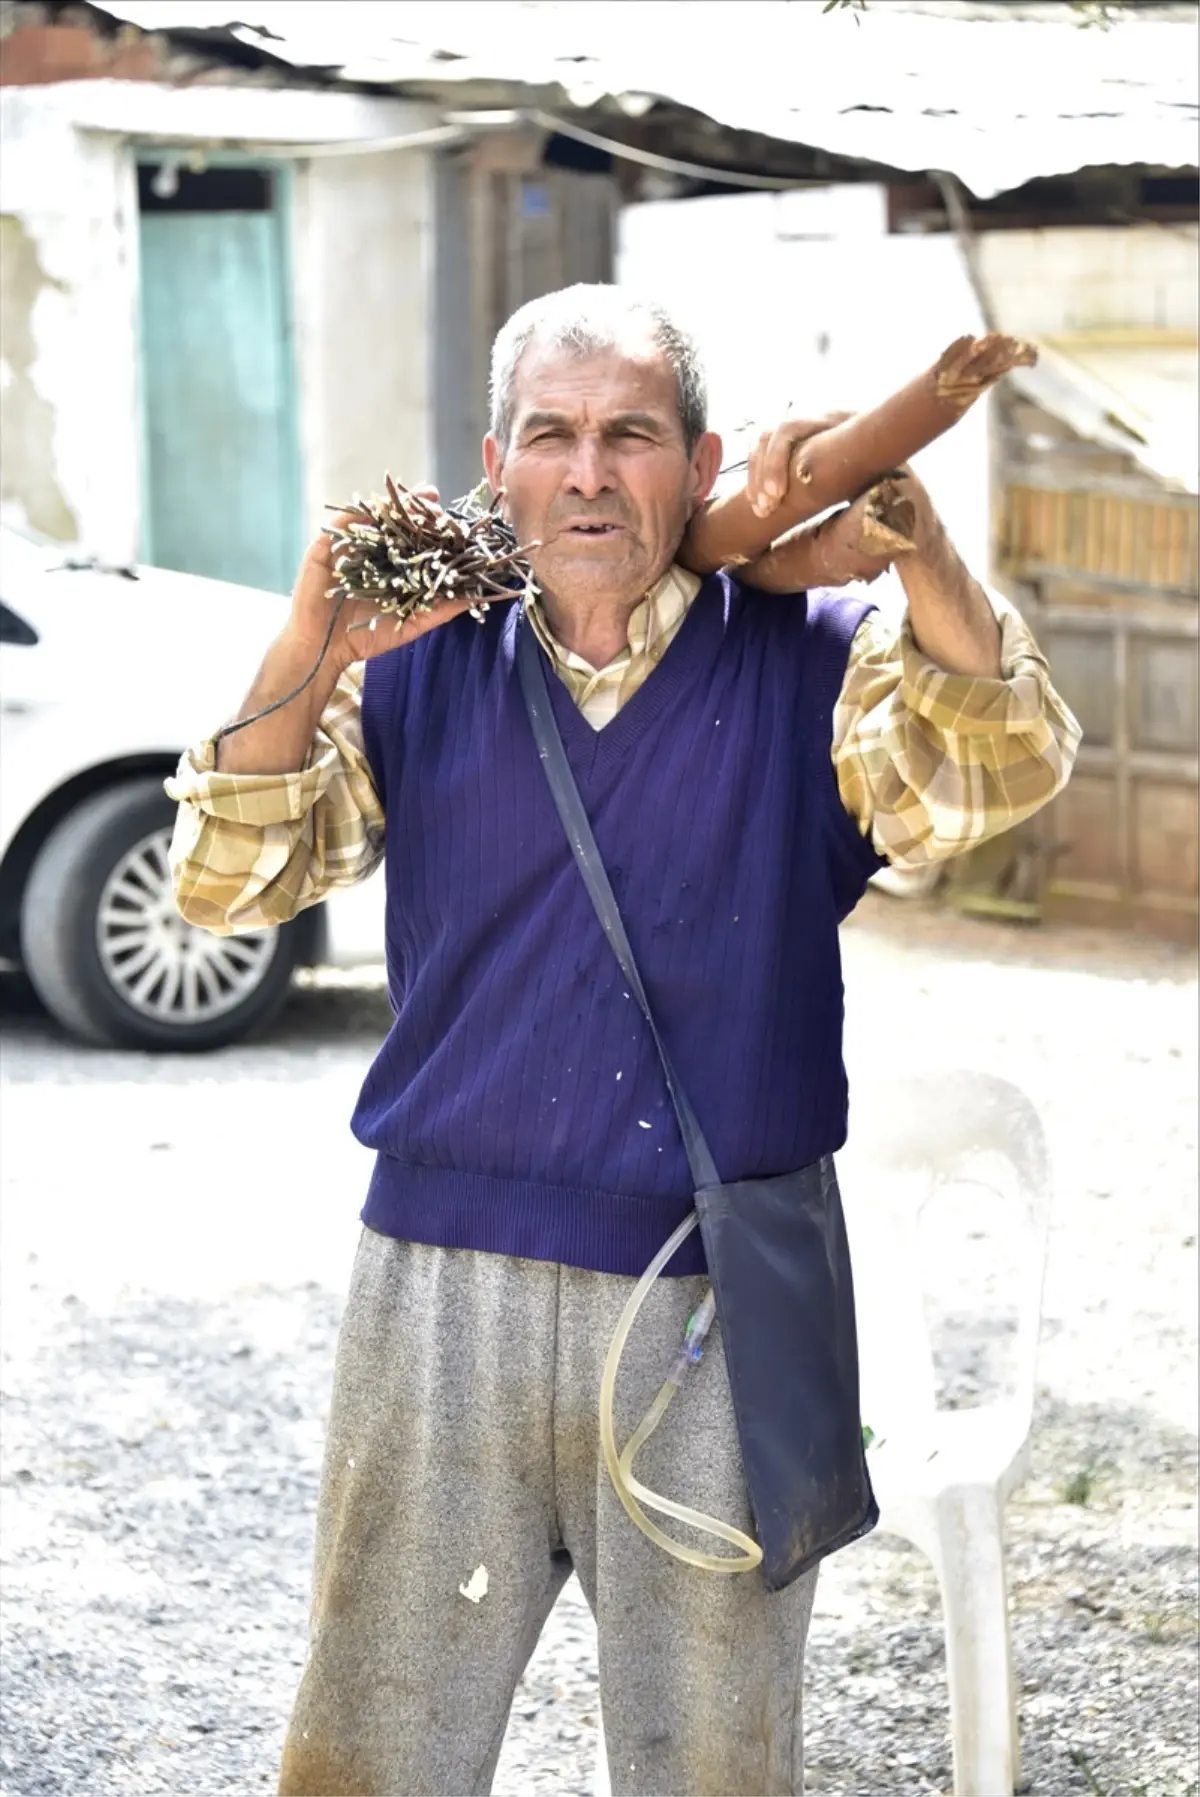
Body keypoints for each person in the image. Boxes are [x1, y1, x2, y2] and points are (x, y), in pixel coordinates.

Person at [168, 284, 1079, 1797]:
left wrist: (910, 540)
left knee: (709, 1762)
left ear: (701, 460)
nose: (589, 472)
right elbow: (227, 880)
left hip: (714, 1300)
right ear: (495, 462)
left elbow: (992, 780)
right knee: (377, 1752)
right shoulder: (420, 659)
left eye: (631, 437)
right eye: (553, 436)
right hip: (439, 1291)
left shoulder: (817, 654)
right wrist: (318, 635)